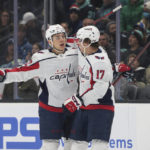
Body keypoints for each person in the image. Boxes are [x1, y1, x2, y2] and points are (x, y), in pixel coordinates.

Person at [0, 24, 78, 150]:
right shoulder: (42, 58)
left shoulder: (75, 54)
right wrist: (5, 75)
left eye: (63, 36)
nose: (61, 40)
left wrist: (75, 39)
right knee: (50, 145)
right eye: (57, 37)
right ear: (49, 41)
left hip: (72, 107)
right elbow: (23, 72)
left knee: (73, 144)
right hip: (50, 109)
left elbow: (92, 46)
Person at [63, 25, 115, 150]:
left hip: (101, 107)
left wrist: (78, 100)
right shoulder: (84, 50)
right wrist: (59, 36)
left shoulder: (100, 62)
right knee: (77, 144)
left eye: (80, 41)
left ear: (88, 42)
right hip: (85, 106)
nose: (77, 43)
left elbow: (99, 90)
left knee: (99, 145)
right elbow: (70, 42)